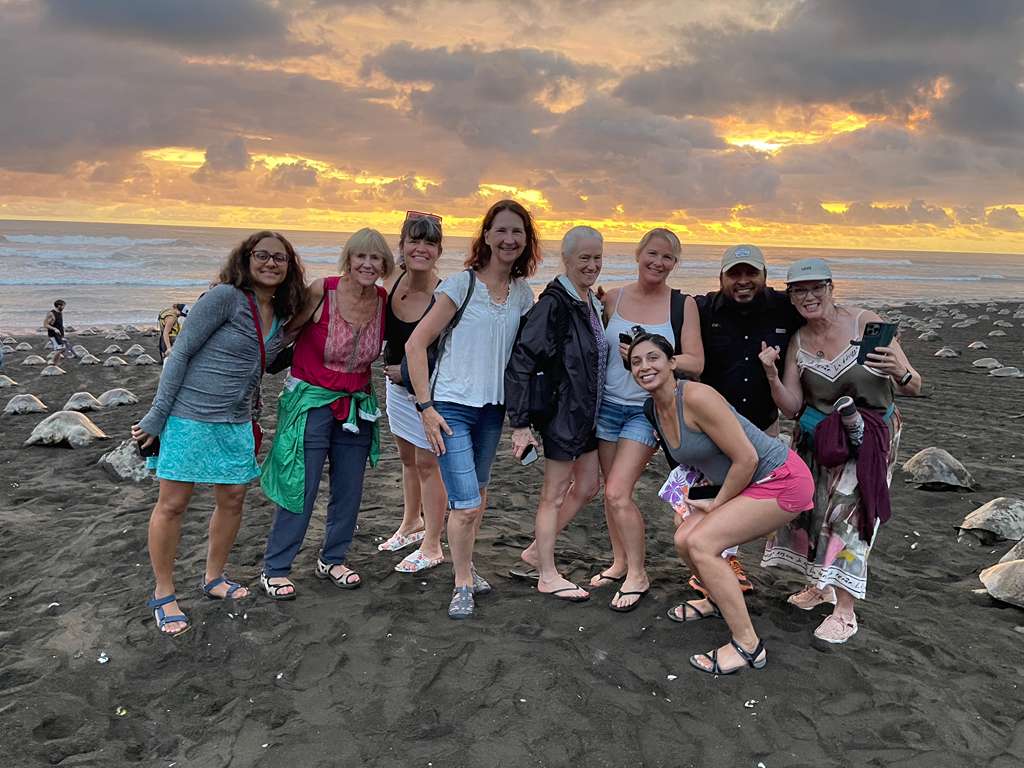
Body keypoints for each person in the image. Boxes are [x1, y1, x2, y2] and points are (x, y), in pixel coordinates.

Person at [132, 231, 305, 636]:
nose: (270, 263)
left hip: (238, 419)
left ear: (289, 266)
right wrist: (157, 417)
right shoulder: (225, 298)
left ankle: (213, 577)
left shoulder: (280, 311)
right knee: (173, 504)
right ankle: (163, 592)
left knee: (232, 499)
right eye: (262, 255)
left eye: (280, 258)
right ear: (245, 260)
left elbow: (273, 357)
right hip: (191, 415)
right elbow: (182, 354)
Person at [758, 257, 922, 644]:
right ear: (792, 296)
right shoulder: (798, 340)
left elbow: (913, 386)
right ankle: (821, 586)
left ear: (832, 288)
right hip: (818, 437)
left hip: (870, 438)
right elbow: (793, 406)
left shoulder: (865, 324)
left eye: (817, 287)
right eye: (800, 290)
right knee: (811, 513)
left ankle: (845, 611)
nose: (809, 296)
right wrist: (769, 372)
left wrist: (899, 371)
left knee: (849, 513)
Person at [632, 333, 814, 675]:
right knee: (684, 537)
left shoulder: (697, 397)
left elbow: (746, 458)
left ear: (672, 363)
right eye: (636, 362)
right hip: (740, 482)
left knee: (702, 543)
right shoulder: (654, 408)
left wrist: (715, 505)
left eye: (653, 357)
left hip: (780, 478)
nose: (645, 366)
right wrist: (694, 497)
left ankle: (748, 645)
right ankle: (716, 599)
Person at [405, 199, 539, 619]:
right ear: (486, 235)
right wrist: (425, 406)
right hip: (451, 408)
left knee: (477, 497)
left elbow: (529, 356)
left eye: (517, 231)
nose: (508, 238)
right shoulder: (460, 286)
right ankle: (462, 581)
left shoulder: (522, 294)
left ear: (526, 240)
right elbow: (415, 344)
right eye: (500, 230)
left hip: (491, 411)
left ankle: (468, 566)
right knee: (464, 503)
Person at [259, 228, 394, 600]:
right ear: (348, 260)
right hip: (310, 402)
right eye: (360, 257)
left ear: (384, 264)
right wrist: (247, 366)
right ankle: (276, 568)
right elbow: (283, 333)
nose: (368, 264)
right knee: (299, 485)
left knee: (349, 489)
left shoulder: (383, 299)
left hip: (356, 405)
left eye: (376, 258)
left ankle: (333, 559)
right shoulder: (323, 290)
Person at [591, 228, 704, 611]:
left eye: (668, 257)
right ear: (638, 255)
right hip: (606, 404)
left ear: (675, 264)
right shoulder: (613, 298)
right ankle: (619, 561)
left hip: (647, 410)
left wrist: (649, 354)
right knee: (611, 490)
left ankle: (638, 573)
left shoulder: (681, 304)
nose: (658, 263)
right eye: (652, 254)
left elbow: (696, 361)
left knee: (618, 491)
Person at [692, 244, 804, 595]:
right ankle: (708, 560)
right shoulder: (700, 308)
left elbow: (827, 315)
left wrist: (875, 328)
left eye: (750, 273)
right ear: (721, 277)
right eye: (734, 274)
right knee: (701, 493)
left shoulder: (785, 308)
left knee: (745, 499)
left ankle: (728, 557)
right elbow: (656, 305)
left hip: (761, 426)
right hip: (711, 425)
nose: (743, 281)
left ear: (765, 276)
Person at [504, 225, 606, 602]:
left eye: (597, 258)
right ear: (566, 259)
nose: (592, 264)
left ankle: (535, 551)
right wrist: (520, 424)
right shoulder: (554, 304)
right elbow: (521, 362)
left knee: (589, 486)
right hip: (563, 413)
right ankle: (546, 573)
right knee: (554, 494)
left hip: (589, 414)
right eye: (584, 257)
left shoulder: (589, 301)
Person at [380, 212, 447, 573]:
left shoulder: (445, 293)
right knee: (407, 461)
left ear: (438, 250)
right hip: (393, 390)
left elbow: (447, 352)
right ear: (402, 245)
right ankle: (411, 524)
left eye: (429, 242)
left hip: (429, 393)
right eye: (414, 241)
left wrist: (406, 373)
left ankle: (433, 542)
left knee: (428, 464)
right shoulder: (391, 280)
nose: (421, 248)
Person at [44, 299, 75, 365]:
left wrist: (62, 330)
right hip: (53, 335)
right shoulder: (51, 314)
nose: (64, 307)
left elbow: (59, 323)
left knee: (63, 348)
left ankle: (56, 363)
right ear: (59, 306)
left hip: (60, 334)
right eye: (63, 306)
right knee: (61, 349)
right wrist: (54, 329)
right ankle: (52, 361)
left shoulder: (60, 312)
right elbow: (45, 324)